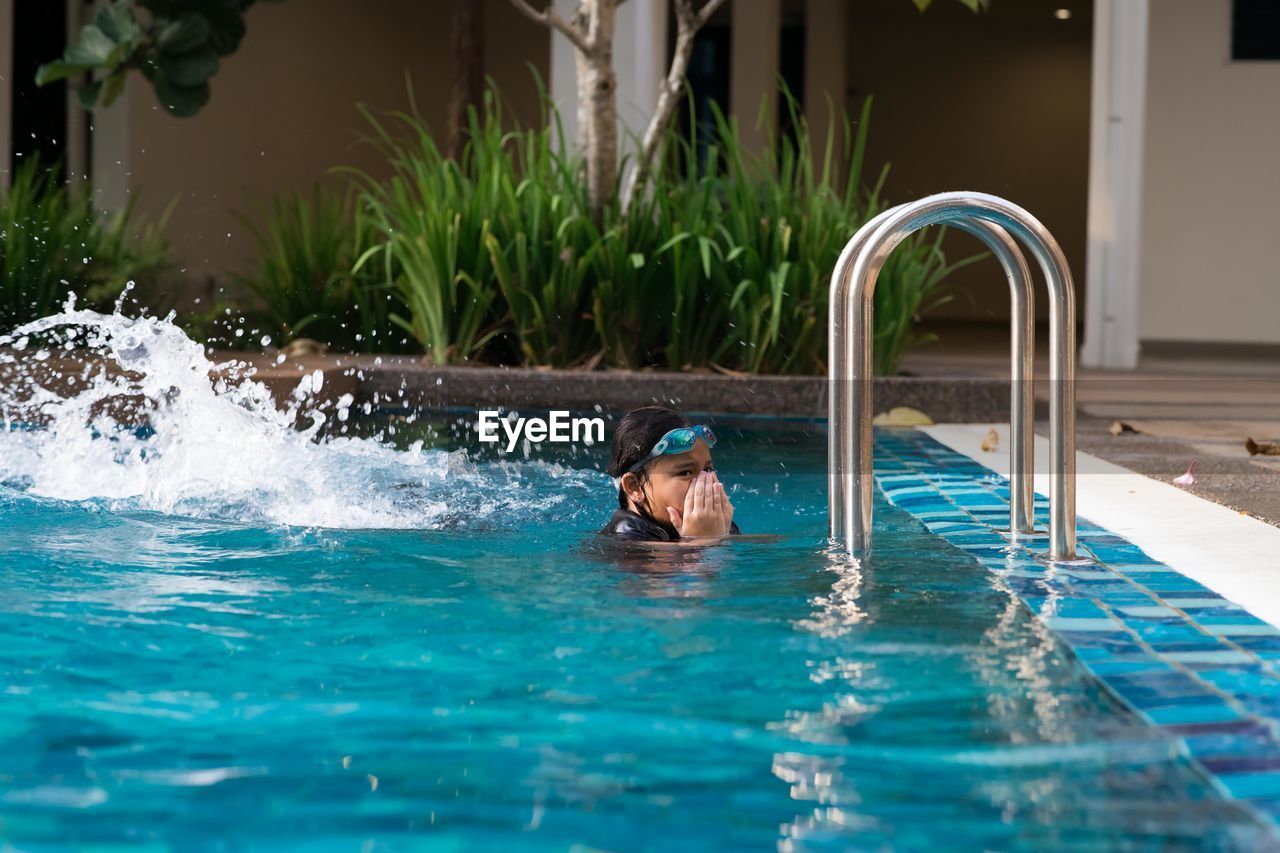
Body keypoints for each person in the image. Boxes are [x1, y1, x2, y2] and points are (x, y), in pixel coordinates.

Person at [600, 406, 740, 543]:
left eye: (708, 470)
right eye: (686, 472)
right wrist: (703, 541)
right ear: (634, 487)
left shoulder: (710, 522)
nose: (706, 483)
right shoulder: (625, 544)